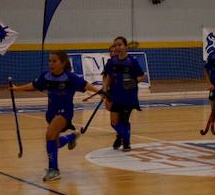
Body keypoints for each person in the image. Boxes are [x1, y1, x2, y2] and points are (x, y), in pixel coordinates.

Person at [11, 51, 101, 181]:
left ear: (63, 63)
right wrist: (17, 89)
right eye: (50, 61)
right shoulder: (46, 76)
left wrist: (100, 92)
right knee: (55, 143)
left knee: (49, 135)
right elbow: (34, 85)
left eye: (54, 61)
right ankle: (71, 137)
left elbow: (86, 85)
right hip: (51, 113)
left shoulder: (70, 77)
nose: (51, 64)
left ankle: (54, 170)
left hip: (64, 112)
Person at [103, 36, 146, 152]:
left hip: (128, 96)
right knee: (114, 123)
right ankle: (121, 136)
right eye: (115, 45)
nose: (117, 47)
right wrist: (105, 90)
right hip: (116, 96)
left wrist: (134, 81)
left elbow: (142, 76)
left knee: (124, 121)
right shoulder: (112, 61)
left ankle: (126, 143)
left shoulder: (132, 61)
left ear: (125, 46)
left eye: (120, 45)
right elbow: (107, 77)